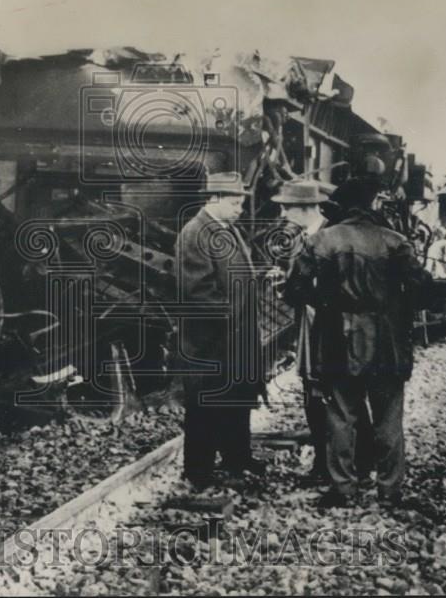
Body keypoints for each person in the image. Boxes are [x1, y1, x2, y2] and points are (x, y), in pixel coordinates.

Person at [289, 177, 430, 508]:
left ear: (341, 207)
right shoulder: (395, 241)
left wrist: (326, 303)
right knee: (388, 418)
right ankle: (390, 489)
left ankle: (343, 488)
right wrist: (396, 309)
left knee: (341, 415)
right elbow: (422, 289)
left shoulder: (321, 240)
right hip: (388, 341)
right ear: (371, 205)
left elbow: (295, 289)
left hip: (337, 339)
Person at [275, 179, 374, 485]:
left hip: (332, 330)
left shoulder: (331, 236)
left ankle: (358, 463)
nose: (282, 214)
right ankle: (325, 464)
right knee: (314, 395)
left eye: (287, 207)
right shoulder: (304, 237)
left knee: (341, 396)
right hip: (312, 326)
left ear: (306, 208)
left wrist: (297, 289)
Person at [175, 171, 265, 488]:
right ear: (213, 199)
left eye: (241, 203)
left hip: (234, 337)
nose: (240, 209)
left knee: (236, 400)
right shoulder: (195, 233)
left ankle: (237, 458)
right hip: (210, 342)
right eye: (235, 203)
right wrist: (231, 319)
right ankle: (198, 472)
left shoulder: (227, 229)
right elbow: (197, 291)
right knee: (205, 407)